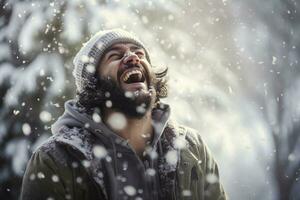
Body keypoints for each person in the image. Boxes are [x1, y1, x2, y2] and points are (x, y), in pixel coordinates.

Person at [20, 29, 227, 200]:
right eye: (115, 56)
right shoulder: (57, 159)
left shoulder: (191, 147)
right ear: (94, 83)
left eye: (139, 53)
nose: (133, 57)